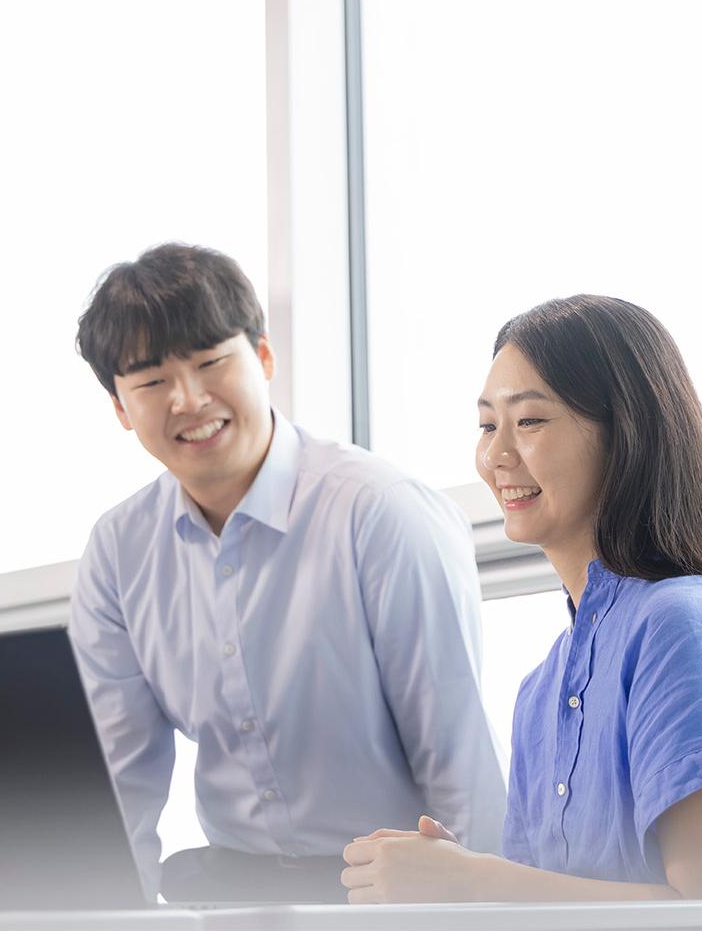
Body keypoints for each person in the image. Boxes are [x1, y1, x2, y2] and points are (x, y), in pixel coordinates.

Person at [340, 295, 702, 925]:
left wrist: (474, 883)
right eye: (486, 425)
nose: (496, 456)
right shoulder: (543, 688)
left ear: (625, 433)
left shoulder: (683, 624)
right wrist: (459, 881)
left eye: (529, 421)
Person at [68, 243, 505, 903]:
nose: (187, 399)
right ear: (121, 408)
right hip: (232, 893)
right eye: (152, 381)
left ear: (264, 357)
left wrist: (483, 913)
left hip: (393, 896)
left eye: (211, 361)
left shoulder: (378, 512)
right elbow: (119, 785)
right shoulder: (118, 550)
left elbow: (460, 764)